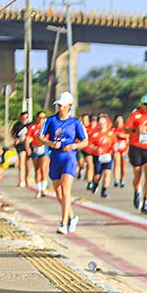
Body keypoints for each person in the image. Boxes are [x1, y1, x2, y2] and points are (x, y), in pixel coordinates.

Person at [38, 91, 88, 234]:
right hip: (55, 158)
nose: (60, 108)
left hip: (69, 158)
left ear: (69, 106)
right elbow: (40, 137)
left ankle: (63, 222)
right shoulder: (50, 120)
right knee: (59, 194)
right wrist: (50, 143)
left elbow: (85, 141)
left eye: (62, 106)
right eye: (58, 105)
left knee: (66, 190)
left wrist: (73, 146)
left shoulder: (75, 122)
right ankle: (72, 216)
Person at [122, 94, 147, 215]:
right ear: (141, 105)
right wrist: (136, 130)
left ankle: (145, 202)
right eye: (145, 104)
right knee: (138, 175)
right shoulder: (135, 114)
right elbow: (126, 129)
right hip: (136, 148)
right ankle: (137, 190)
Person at [90, 115, 117, 197]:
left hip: (108, 155)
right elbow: (89, 144)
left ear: (106, 123)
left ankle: (104, 190)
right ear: (98, 123)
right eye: (100, 123)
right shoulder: (94, 133)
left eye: (103, 123)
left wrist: (115, 148)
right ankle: (95, 183)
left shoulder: (111, 133)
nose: (102, 124)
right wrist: (96, 148)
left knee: (107, 173)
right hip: (98, 156)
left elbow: (114, 143)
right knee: (97, 175)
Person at [25, 111, 49, 197]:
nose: (41, 119)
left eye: (43, 118)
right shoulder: (32, 127)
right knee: (37, 169)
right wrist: (27, 148)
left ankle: (44, 188)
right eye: (40, 117)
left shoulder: (47, 127)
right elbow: (28, 138)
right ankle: (39, 189)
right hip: (35, 148)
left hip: (45, 148)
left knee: (43, 168)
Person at [10, 111, 32, 187]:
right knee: (21, 163)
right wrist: (16, 139)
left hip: (29, 146)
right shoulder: (17, 125)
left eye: (26, 118)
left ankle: (27, 178)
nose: (24, 119)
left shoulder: (30, 125)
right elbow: (12, 134)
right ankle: (21, 180)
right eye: (23, 118)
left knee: (27, 163)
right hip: (20, 146)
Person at [112, 114, 127, 187]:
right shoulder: (113, 129)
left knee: (124, 166)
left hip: (125, 149)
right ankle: (116, 180)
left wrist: (123, 136)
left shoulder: (125, 128)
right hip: (116, 149)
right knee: (116, 163)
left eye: (120, 120)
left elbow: (131, 136)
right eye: (117, 121)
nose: (119, 122)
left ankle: (122, 179)